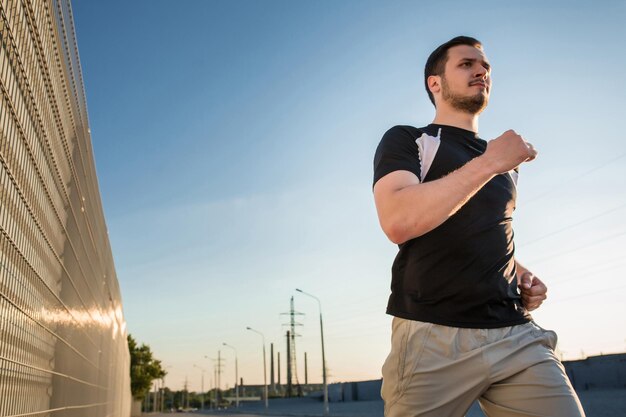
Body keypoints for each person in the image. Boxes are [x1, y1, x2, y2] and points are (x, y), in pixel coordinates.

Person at [372, 36, 585, 417]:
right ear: (434, 83)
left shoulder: (507, 166)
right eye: (467, 64)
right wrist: (490, 163)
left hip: (515, 332)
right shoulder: (410, 140)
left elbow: (481, 228)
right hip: (433, 336)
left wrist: (520, 272)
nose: (481, 70)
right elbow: (398, 220)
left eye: (485, 66)